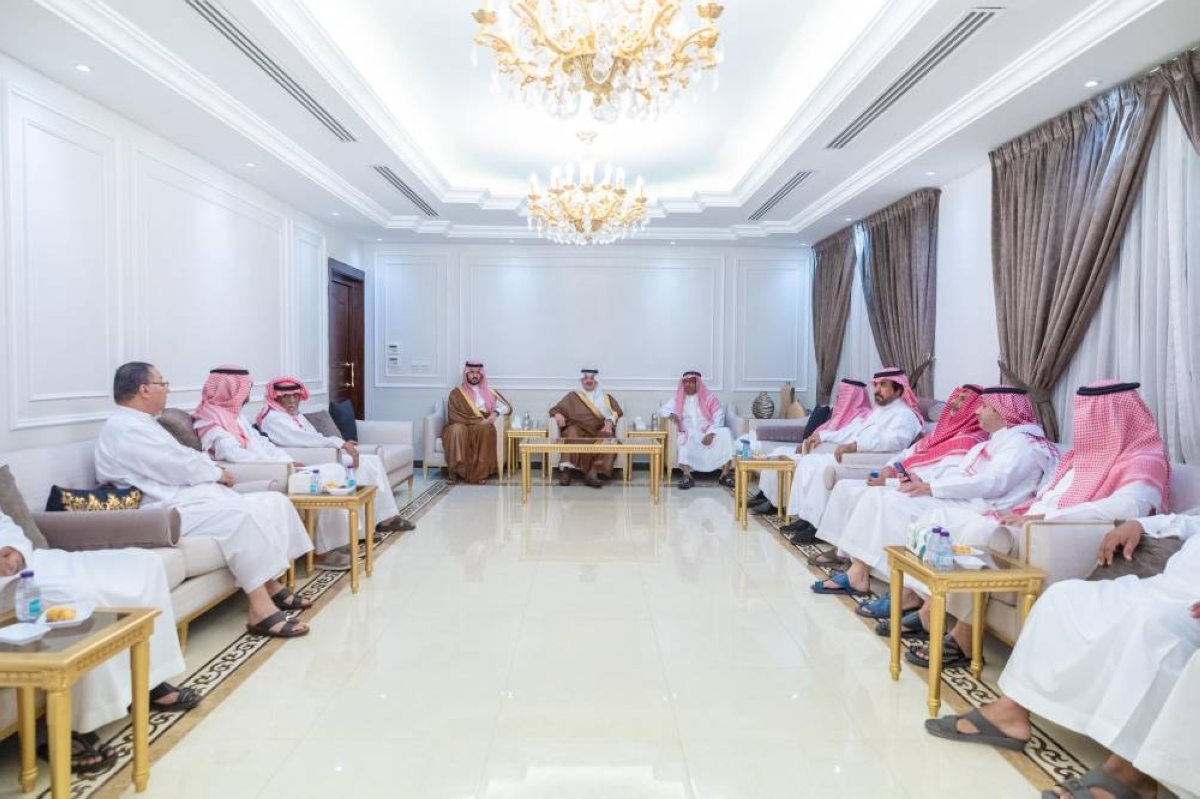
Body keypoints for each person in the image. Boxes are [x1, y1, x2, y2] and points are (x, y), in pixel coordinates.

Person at [924, 513, 1199, 799]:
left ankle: (1130, 775)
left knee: (1154, 629)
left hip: (1189, 606)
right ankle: (1010, 712)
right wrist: (1140, 525)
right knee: (1064, 595)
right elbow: (1188, 520)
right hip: (1158, 588)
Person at [905, 380, 1169, 666]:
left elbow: (1128, 506)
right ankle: (933, 610)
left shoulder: (1143, 459)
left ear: (1117, 417)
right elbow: (1048, 494)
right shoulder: (1081, 458)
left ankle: (961, 637)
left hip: (1058, 532)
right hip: (1031, 522)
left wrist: (1044, 518)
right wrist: (1028, 512)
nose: (1084, 422)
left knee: (978, 533)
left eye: (1093, 415)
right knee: (960, 527)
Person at [95, 362, 314, 639]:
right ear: (144, 389)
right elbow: (176, 466)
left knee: (272, 501)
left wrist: (211, 471)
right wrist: (216, 473)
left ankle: (271, 584)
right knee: (239, 516)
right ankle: (260, 609)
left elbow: (185, 457)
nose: (167, 389)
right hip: (159, 510)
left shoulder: (143, 423)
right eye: (162, 383)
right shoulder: (125, 429)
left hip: (183, 496)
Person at [1, 511, 199, 772]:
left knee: (145, 562)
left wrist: (14, 550)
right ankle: (76, 725)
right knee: (81, 597)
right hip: (7, 586)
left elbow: (6, 524)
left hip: (32, 565)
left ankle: (146, 680)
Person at [816, 386, 1057, 597]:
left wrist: (932, 487)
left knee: (892, 502)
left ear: (1005, 413)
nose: (977, 411)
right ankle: (861, 572)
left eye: (984, 406)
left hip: (981, 507)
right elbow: (960, 474)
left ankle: (895, 586)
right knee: (885, 496)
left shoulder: (1021, 444)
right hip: (963, 498)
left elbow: (992, 483)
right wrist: (925, 481)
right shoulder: (997, 440)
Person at [811, 384, 985, 593]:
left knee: (880, 498)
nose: (955, 403)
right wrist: (888, 468)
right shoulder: (942, 432)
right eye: (956, 398)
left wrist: (892, 482)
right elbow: (906, 453)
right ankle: (845, 553)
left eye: (964, 400)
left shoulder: (970, 441)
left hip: (925, 489)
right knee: (846, 487)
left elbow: (940, 476)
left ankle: (860, 571)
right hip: (907, 480)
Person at [755, 368, 924, 542]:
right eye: (876, 385)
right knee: (808, 462)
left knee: (822, 468)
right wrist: (824, 436)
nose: (877, 389)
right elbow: (854, 431)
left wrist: (856, 445)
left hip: (869, 460)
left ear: (898, 390)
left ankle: (818, 526)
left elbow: (895, 442)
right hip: (857, 454)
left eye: (883, 385)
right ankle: (806, 518)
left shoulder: (905, 415)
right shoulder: (879, 411)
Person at [256, 375, 414, 529]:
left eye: (295, 396)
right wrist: (340, 443)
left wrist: (341, 444)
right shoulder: (274, 419)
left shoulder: (294, 415)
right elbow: (306, 440)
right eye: (286, 397)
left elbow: (315, 436)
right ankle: (360, 528)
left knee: (371, 461)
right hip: (308, 461)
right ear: (276, 398)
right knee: (365, 464)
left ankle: (382, 519)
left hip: (321, 454)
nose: (292, 401)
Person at [744, 377, 870, 511]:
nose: (838, 398)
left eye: (843, 395)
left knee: (789, 460)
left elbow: (845, 436)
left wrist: (816, 440)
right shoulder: (839, 415)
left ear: (853, 397)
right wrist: (805, 443)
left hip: (824, 454)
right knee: (778, 452)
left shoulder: (861, 418)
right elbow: (821, 433)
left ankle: (775, 504)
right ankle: (765, 495)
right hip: (814, 450)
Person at [549, 369, 624, 488]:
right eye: (585, 378)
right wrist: (557, 414)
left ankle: (593, 472)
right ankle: (567, 471)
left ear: (596, 381)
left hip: (598, 430)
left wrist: (609, 422)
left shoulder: (606, 398)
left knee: (609, 438)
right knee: (572, 431)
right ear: (581, 380)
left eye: (592, 378)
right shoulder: (573, 396)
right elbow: (555, 409)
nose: (589, 380)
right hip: (578, 430)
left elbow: (617, 412)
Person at [660, 371, 734, 489]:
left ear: (698, 383)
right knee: (683, 438)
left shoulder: (709, 399)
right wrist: (671, 414)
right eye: (685, 382)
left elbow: (719, 416)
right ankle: (687, 476)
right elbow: (662, 410)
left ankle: (725, 475)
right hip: (689, 433)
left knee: (726, 432)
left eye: (691, 382)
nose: (687, 384)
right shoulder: (678, 399)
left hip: (708, 432)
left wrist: (711, 433)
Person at [440, 360, 511, 484]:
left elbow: (506, 407)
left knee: (485, 429)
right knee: (455, 430)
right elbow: (453, 415)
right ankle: (454, 472)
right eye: (472, 372)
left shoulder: (488, 392)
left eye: (478, 372)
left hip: (482, 424)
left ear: (481, 374)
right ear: (466, 374)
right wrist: (475, 421)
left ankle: (480, 474)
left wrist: (495, 413)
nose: (475, 375)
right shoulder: (457, 393)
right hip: (461, 423)